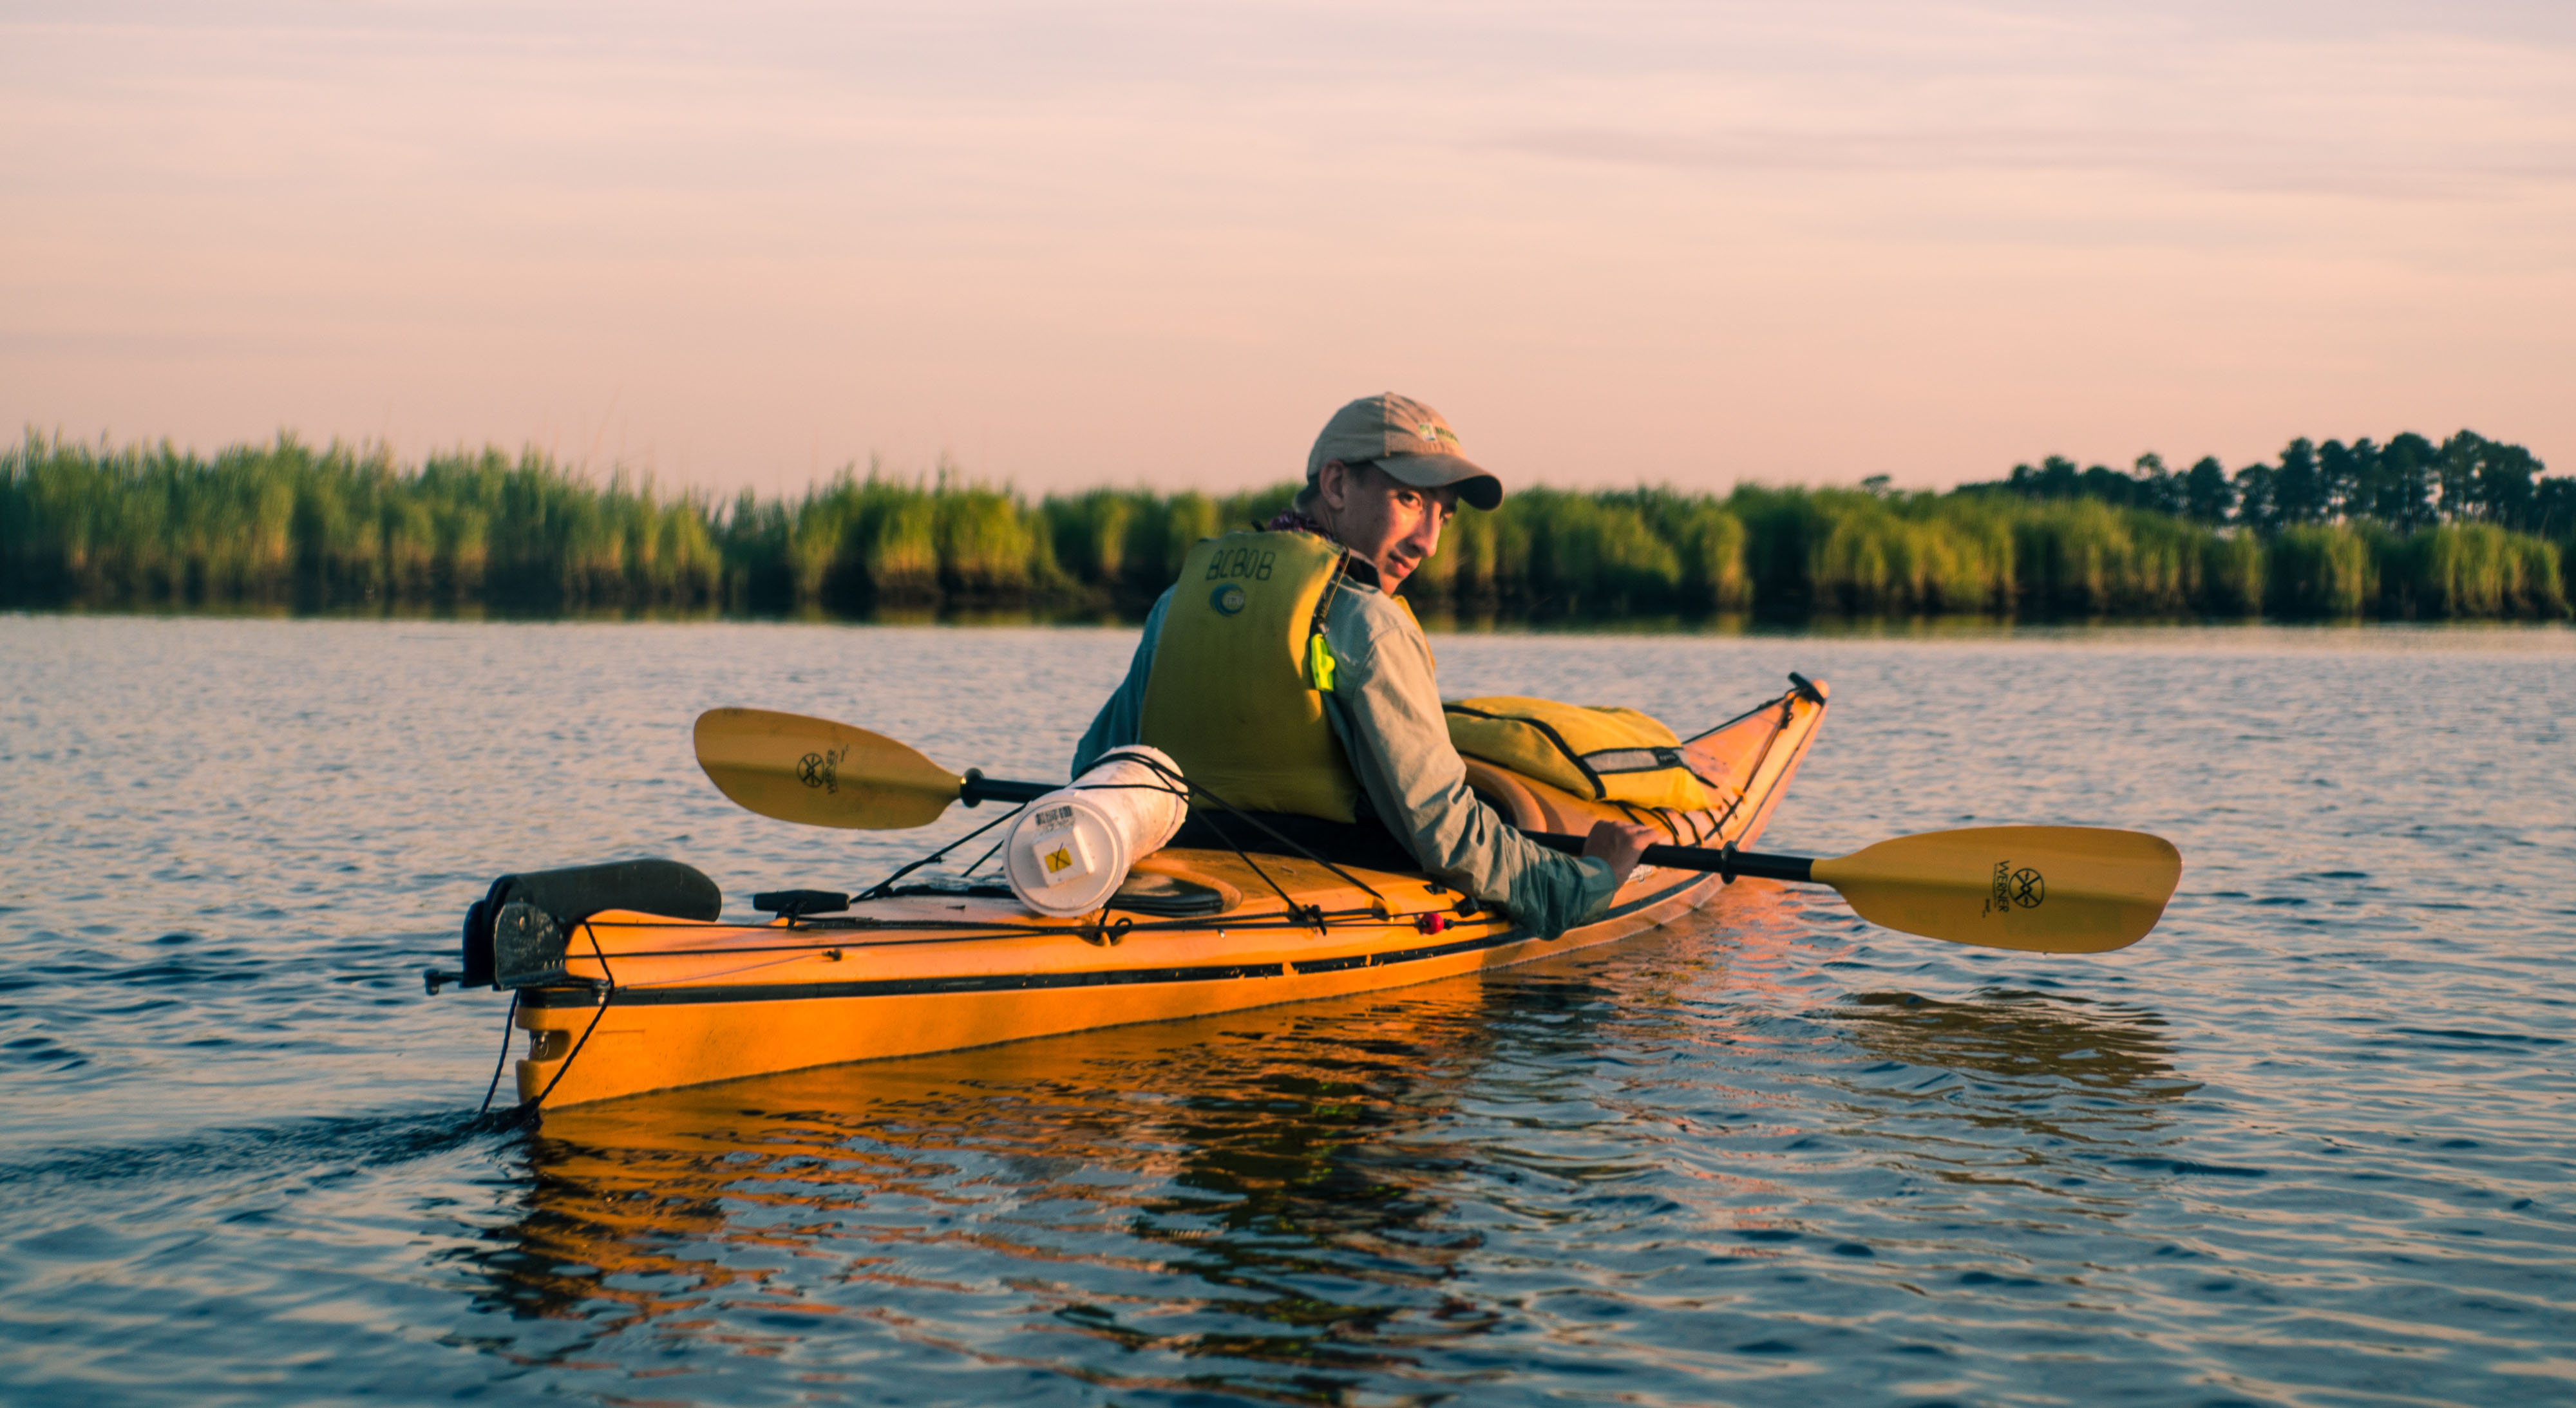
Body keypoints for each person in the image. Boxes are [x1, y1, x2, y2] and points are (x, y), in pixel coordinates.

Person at [1073, 392, 1658, 939]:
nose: (1428, 540)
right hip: (1329, 908)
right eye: (1410, 500)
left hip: (1170, 888)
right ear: (1336, 483)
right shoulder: (1370, 621)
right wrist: (1590, 881)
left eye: (1444, 516)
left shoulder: (1181, 600)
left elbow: (1092, 767)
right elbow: (1450, 839)